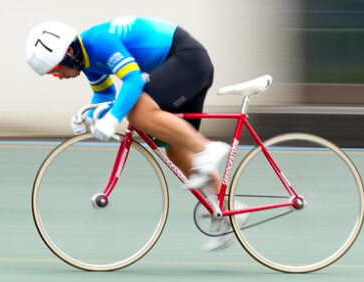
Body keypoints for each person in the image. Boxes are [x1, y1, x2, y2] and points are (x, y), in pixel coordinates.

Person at [25, 17, 228, 190]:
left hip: (187, 58)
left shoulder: (98, 42)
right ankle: (225, 211)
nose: (59, 77)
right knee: (176, 148)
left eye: (55, 70)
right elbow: (105, 94)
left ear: (69, 52)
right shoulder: (87, 60)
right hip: (180, 65)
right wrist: (90, 117)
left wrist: (113, 119)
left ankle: (208, 148)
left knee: (137, 111)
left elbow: (134, 79)